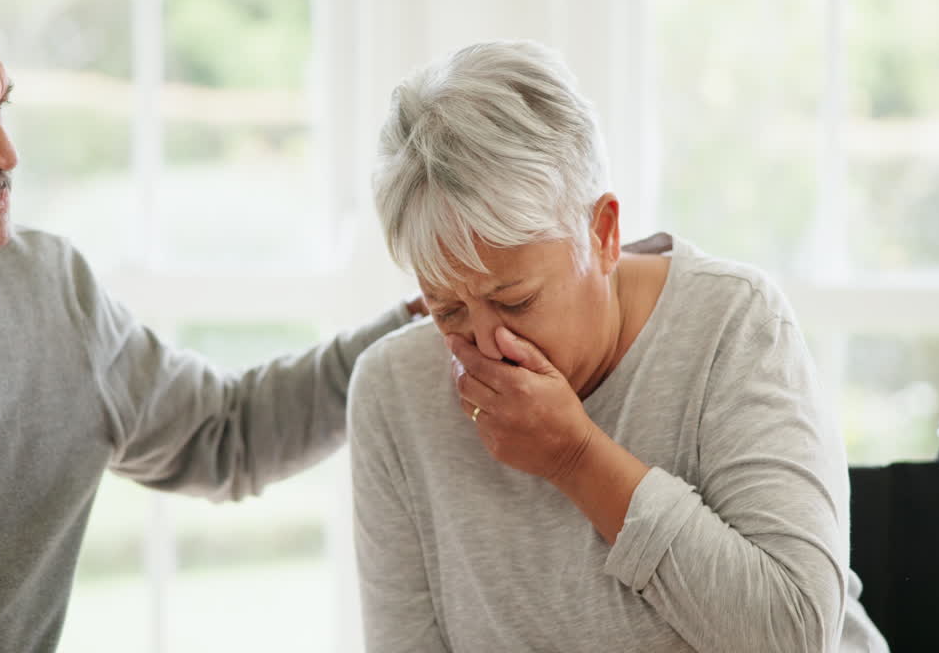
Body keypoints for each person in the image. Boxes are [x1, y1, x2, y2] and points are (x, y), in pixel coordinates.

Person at [0, 0, 422, 649]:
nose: (7, 154)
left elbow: (225, 433)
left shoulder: (51, 291)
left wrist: (426, 322)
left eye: (2, 106)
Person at [348, 40, 890, 652]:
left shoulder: (732, 321)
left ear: (603, 234)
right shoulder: (392, 392)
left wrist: (576, 458)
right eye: (448, 310)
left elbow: (793, 634)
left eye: (517, 300)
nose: (486, 344)